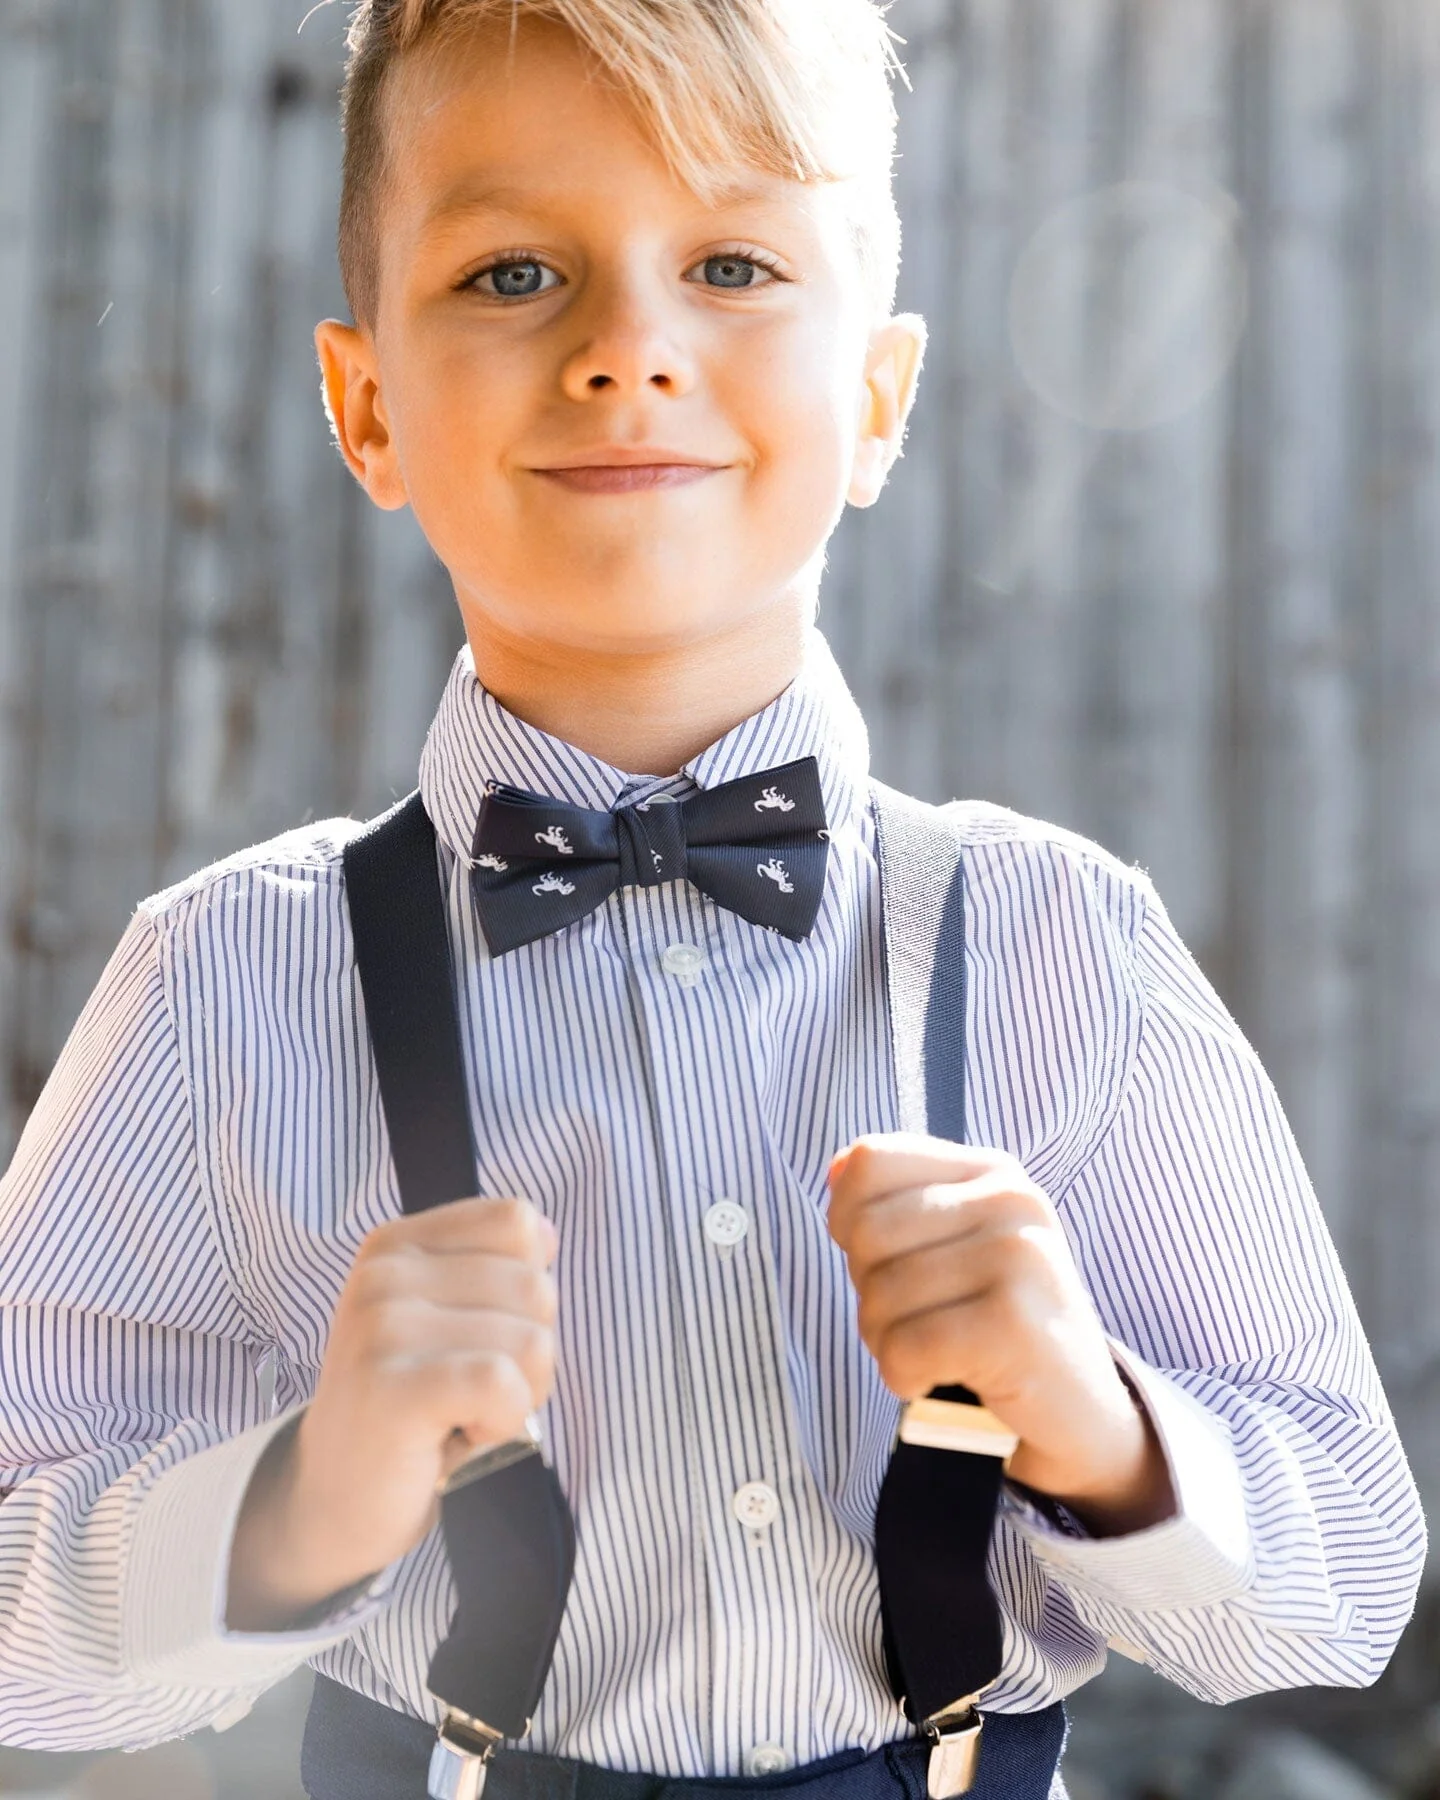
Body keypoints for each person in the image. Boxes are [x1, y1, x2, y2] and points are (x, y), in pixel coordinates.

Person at [0, 1, 1424, 1795]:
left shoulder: (1071, 946)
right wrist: (304, 1499)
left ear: (880, 398)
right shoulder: (219, 985)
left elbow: (1349, 1588)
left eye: (735, 261)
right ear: (368, 406)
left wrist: (1095, 1417)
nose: (627, 348)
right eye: (515, 272)